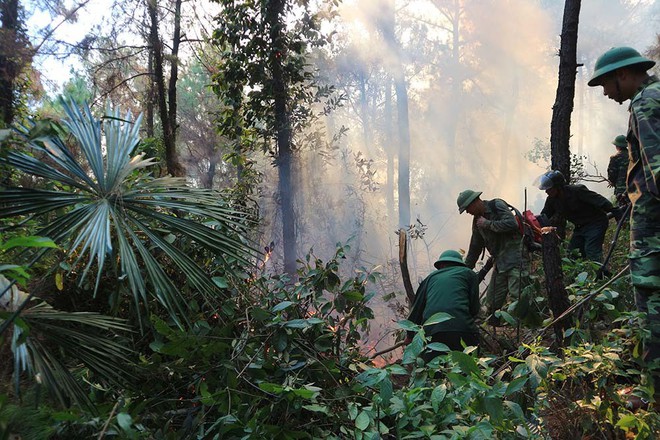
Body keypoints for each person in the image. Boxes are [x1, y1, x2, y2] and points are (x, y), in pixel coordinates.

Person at [588, 46, 660, 405]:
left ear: (622, 75)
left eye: (605, 84)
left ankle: (653, 393)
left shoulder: (644, 104)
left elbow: (657, 168)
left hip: (653, 231)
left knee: (651, 302)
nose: (605, 93)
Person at [457, 189, 528, 325]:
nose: (467, 212)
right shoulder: (477, 221)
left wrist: (488, 224)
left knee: (518, 298)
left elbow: (512, 224)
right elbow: (475, 248)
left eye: (467, 208)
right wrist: (464, 271)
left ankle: (523, 331)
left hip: (516, 259)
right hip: (500, 264)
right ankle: (495, 331)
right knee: (491, 303)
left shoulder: (497, 205)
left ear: (475, 201)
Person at [405, 250, 479, 360]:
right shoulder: (469, 274)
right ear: (460, 264)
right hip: (463, 330)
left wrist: (410, 336)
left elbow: (416, 309)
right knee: (466, 369)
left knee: (434, 370)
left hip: (433, 332)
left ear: (441, 265)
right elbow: (474, 308)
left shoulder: (430, 278)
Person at [537, 170, 613, 263]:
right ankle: (577, 276)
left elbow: (601, 202)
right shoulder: (552, 200)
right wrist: (533, 221)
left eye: (549, 188)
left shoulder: (577, 190)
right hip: (580, 228)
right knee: (573, 254)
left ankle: (602, 275)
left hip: (596, 223)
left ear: (558, 187)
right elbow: (545, 214)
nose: (546, 191)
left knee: (592, 251)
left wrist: (616, 212)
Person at [607, 134, 630, 206]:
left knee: (622, 208)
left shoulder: (615, 158)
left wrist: (612, 182)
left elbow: (612, 175)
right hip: (634, 186)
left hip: (621, 189)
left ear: (617, 146)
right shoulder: (634, 155)